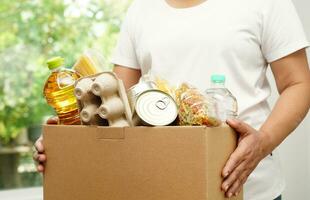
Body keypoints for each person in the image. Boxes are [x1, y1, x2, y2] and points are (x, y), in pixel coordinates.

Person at [34, 0, 310, 199]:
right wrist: (65, 142)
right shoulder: (141, 9)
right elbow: (114, 107)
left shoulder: (266, 3)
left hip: (247, 187)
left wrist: (261, 144)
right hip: (158, 185)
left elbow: (298, 84)